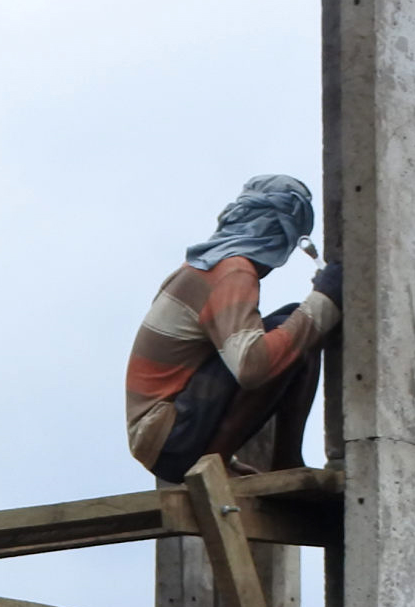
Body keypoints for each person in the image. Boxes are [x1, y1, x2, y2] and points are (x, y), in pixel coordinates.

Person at [126, 176, 343, 481]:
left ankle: (278, 460)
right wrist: (323, 300)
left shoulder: (208, 267)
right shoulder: (231, 271)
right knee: (288, 329)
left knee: (292, 326)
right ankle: (217, 463)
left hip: (163, 436)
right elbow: (253, 366)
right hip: (169, 438)